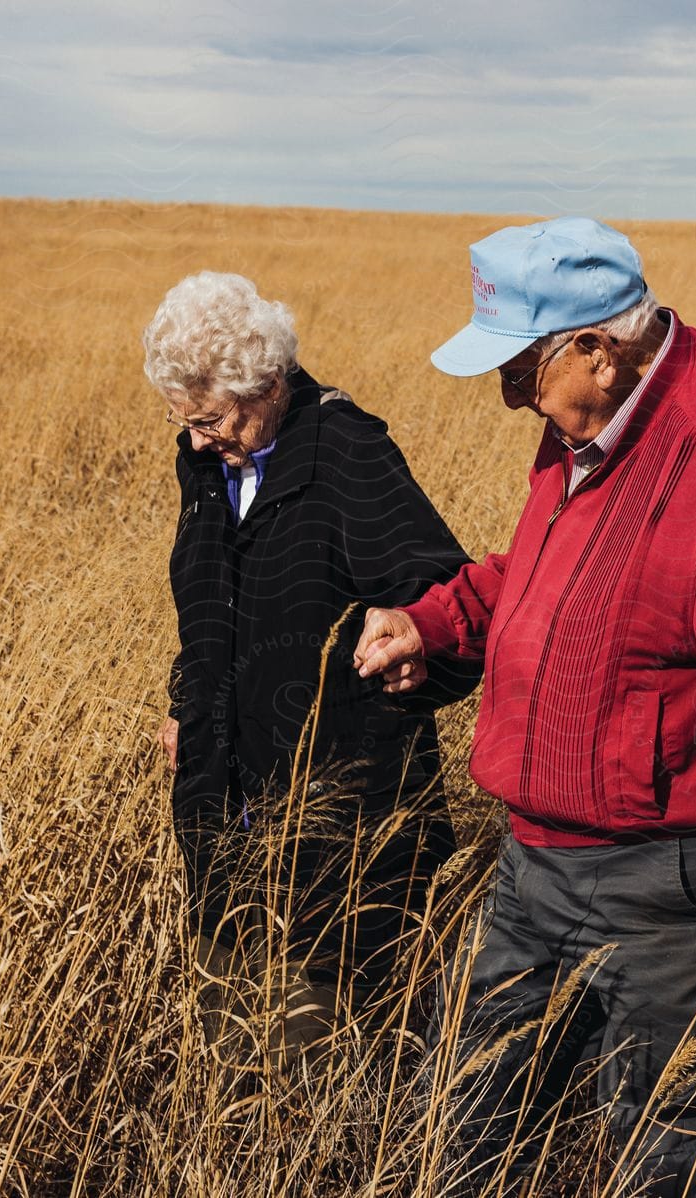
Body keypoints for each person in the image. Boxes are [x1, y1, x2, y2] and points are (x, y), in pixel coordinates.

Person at [353, 218, 696, 1195]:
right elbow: (557, 575)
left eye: (520, 367)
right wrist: (439, 623)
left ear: (598, 345)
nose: (509, 394)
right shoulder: (589, 422)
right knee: (459, 1131)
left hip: (671, 891)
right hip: (536, 863)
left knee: (680, 1162)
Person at [147, 271, 479, 1070]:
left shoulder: (346, 451)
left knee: (322, 1066)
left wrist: (413, 649)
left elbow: (446, 600)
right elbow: (211, 611)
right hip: (225, 816)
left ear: (265, 384)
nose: (196, 439)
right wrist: (190, 705)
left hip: (344, 831)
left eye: (210, 418)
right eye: (182, 420)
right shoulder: (206, 465)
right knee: (233, 1053)